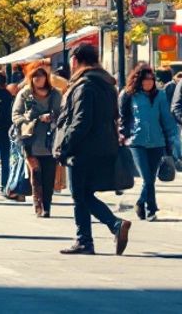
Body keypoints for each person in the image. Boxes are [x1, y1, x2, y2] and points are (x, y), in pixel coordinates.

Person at [53, 43, 131, 255]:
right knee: (86, 193)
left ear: (76, 60)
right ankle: (102, 231)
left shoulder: (84, 86)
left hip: (83, 149)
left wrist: (64, 147)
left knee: (80, 195)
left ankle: (97, 233)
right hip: (104, 146)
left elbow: (80, 121)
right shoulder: (106, 84)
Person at [119, 64, 181, 222]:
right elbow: (122, 118)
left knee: (151, 178)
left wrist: (171, 138)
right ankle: (148, 207)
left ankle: (144, 204)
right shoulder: (129, 95)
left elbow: (166, 118)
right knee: (147, 178)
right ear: (138, 80)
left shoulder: (160, 95)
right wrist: (123, 134)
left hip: (157, 142)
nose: (148, 82)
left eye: (151, 79)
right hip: (136, 142)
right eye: (145, 79)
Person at [12, 63, 62, 217]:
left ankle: (47, 206)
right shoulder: (25, 94)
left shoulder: (55, 94)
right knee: (35, 173)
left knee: (48, 175)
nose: (37, 79)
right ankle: (37, 204)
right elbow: (16, 115)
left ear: (46, 78)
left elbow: (62, 115)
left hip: (50, 141)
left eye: (40, 76)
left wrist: (52, 118)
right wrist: (31, 121)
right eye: (34, 76)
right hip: (30, 140)